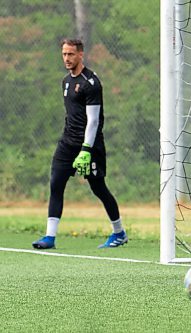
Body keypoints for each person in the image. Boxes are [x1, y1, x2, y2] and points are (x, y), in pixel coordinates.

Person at [32, 39, 127, 249]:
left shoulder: (91, 83)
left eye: (71, 54)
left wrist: (85, 150)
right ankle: (49, 237)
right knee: (56, 184)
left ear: (81, 55)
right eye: (64, 54)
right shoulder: (65, 81)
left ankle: (119, 232)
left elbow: (93, 121)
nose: (67, 58)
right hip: (67, 144)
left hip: (90, 145)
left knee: (98, 188)